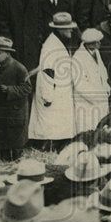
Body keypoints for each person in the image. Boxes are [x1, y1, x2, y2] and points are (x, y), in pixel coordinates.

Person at [28, 11, 77, 148]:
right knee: (50, 127)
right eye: (68, 29)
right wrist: (47, 96)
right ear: (60, 30)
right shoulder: (51, 46)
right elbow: (47, 72)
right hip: (51, 93)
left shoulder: (59, 43)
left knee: (58, 127)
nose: (71, 31)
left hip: (59, 92)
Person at [0, 36, 31, 161]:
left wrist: (10, 90)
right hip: (0, 112)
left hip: (15, 113)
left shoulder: (19, 68)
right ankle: (5, 166)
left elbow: (27, 88)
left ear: (8, 54)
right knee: (3, 143)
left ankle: (17, 167)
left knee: (16, 144)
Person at [72, 27, 111, 134]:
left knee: (100, 126)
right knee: (87, 127)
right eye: (97, 42)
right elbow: (80, 83)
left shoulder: (96, 53)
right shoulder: (78, 58)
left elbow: (102, 72)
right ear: (89, 44)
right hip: (86, 101)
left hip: (100, 98)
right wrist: (96, 96)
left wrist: (106, 87)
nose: (99, 44)